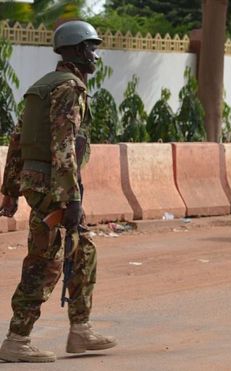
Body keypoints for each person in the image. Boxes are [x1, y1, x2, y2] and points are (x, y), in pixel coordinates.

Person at [0, 20, 117, 363]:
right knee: (45, 263)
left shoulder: (41, 87)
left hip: (40, 184)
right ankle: (17, 339)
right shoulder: (69, 88)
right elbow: (64, 145)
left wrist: (9, 190)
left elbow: (17, 141)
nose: (96, 56)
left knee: (81, 253)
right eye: (92, 48)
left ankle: (81, 331)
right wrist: (73, 199)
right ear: (80, 51)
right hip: (55, 187)